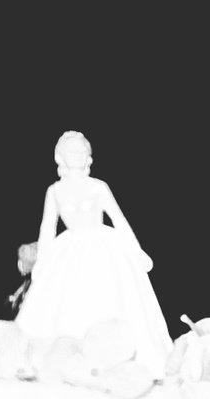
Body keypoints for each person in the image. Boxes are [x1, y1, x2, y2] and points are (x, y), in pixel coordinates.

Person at [14, 130, 172, 372]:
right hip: (68, 251)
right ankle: (62, 358)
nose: (77, 155)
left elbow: (119, 219)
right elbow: (47, 228)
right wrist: (42, 262)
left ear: (88, 155)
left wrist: (137, 251)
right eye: (71, 151)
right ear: (60, 157)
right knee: (61, 302)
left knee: (113, 295)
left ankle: (119, 357)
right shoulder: (54, 191)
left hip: (104, 249)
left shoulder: (98, 187)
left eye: (81, 150)